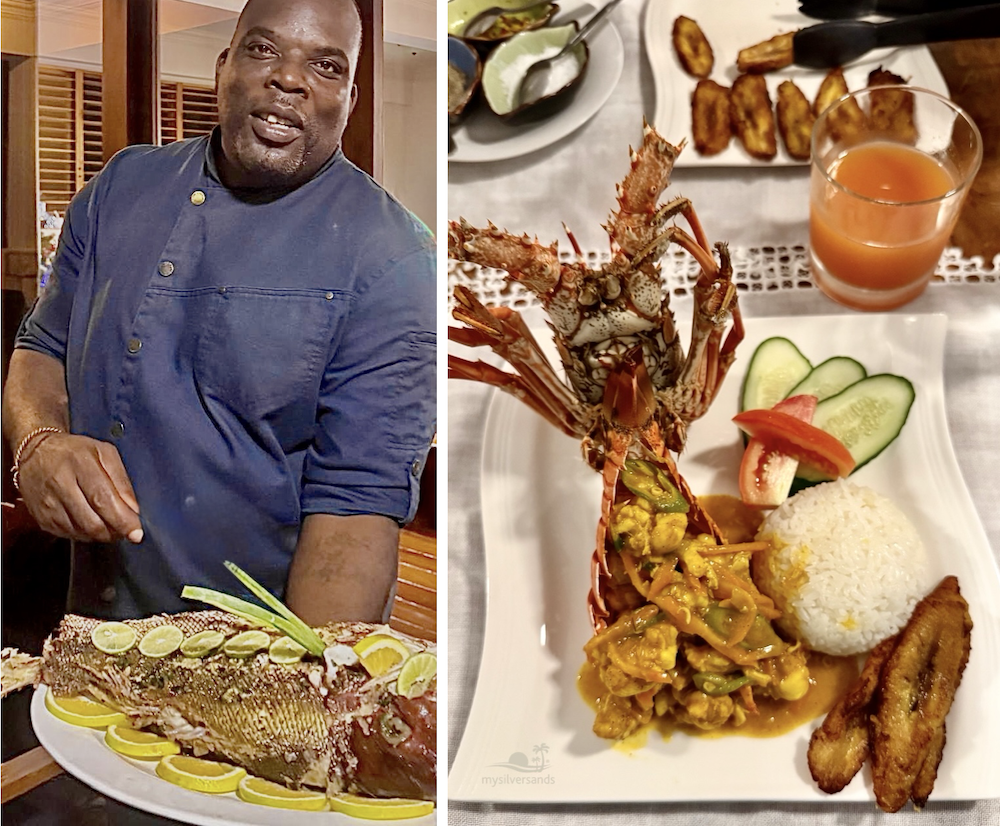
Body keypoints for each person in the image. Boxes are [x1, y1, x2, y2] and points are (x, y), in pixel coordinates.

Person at [2, 0, 436, 627]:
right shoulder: (118, 188)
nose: (290, 78)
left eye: (326, 66)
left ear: (350, 98)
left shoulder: (394, 257)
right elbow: (42, 346)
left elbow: (354, 514)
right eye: (263, 49)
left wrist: (300, 683)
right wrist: (38, 442)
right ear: (222, 66)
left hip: (245, 654)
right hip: (70, 625)